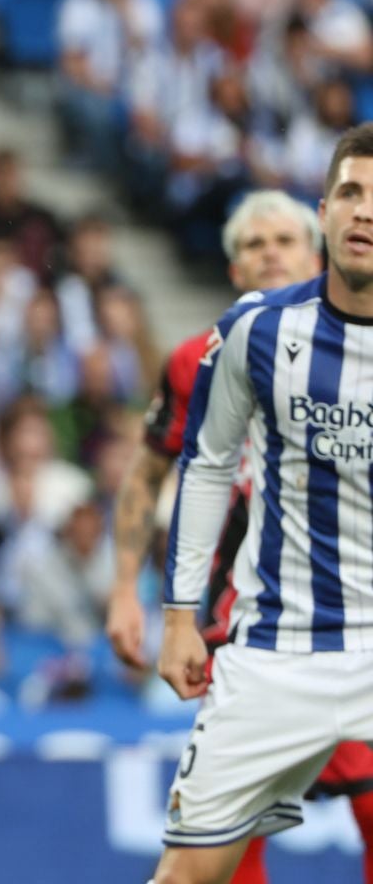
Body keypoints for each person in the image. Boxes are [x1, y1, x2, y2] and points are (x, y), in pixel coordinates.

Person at [109, 188, 373, 884]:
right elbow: (147, 477)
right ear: (232, 270)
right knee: (220, 847)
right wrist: (127, 594)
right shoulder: (202, 357)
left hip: (359, 622)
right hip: (249, 627)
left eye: (280, 240)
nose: (267, 254)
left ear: (314, 248)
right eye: (251, 246)